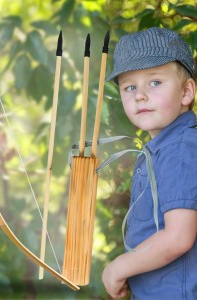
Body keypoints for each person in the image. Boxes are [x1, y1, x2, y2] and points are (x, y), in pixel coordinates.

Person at [102, 27, 197, 299]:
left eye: (154, 82)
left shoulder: (180, 149)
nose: (139, 95)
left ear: (186, 92)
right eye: (129, 86)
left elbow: (178, 237)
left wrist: (119, 267)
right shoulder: (162, 147)